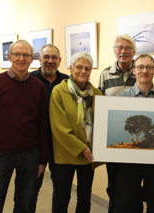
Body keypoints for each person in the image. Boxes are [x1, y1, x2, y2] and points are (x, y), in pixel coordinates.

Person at [0, 39, 48, 213]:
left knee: (26, 204)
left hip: (30, 155)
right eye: (17, 54)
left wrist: (42, 160)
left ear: (32, 59)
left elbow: (43, 125)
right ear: (9, 57)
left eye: (26, 55)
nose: (21, 58)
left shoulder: (38, 87)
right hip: (1, 155)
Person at [113, 54, 154, 213]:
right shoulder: (121, 98)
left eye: (149, 67)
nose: (145, 71)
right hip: (129, 163)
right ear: (133, 71)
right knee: (126, 206)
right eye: (140, 67)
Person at [49, 52, 103, 213]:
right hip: (65, 154)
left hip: (88, 156)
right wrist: (82, 147)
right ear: (71, 68)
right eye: (79, 67)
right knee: (62, 196)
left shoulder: (97, 94)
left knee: (85, 196)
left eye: (87, 68)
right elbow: (60, 128)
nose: (83, 71)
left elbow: (100, 124)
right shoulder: (59, 91)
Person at [98, 34, 137, 212]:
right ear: (115, 51)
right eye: (120, 47)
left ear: (133, 52)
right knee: (113, 182)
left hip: (136, 140)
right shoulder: (105, 74)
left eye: (128, 48)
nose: (124, 51)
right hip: (112, 139)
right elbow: (99, 105)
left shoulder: (140, 71)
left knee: (133, 184)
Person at [29, 44, 69, 212]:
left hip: (60, 144)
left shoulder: (67, 82)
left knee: (61, 191)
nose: (50, 61)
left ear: (59, 61)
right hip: (35, 145)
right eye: (46, 57)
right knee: (30, 190)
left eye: (54, 58)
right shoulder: (30, 80)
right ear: (40, 59)